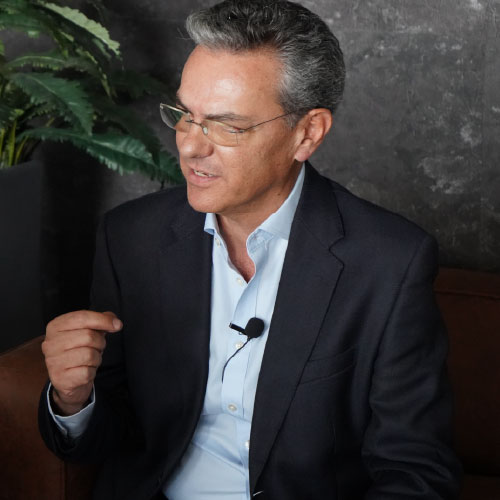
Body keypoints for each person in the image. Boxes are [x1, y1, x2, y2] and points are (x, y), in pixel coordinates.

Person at [38, 1, 462, 499]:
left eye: (227, 126)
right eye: (185, 115)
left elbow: (416, 472)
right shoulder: (130, 237)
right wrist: (73, 400)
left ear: (307, 133)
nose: (190, 146)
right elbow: (115, 435)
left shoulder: (390, 263)